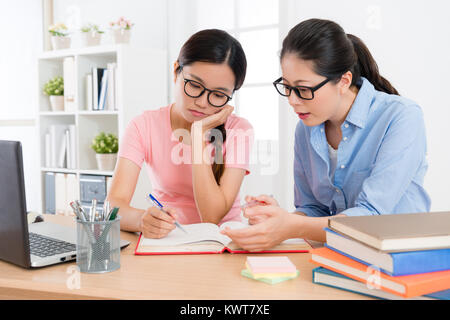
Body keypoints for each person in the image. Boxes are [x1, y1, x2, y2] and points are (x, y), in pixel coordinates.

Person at [221, 18, 431, 249]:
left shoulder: (401, 117)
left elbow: (372, 218)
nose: (292, 100)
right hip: (340, 255)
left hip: (400, 258)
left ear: (343, 81)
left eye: (303, 89)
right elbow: (314, 210)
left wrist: (290, 226)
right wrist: (276, 218)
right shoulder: (306, 128)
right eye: (287, 87)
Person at [108, 29, 253, 239]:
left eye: (219, 95)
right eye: (194, 85)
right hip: (168, 240)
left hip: (220, 244)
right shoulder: (143, 125)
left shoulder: (239, 130)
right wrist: (141, 220)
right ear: (176, 71)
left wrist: (197, 136)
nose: (203, 103)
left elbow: (211, 217)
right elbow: (113, 205)